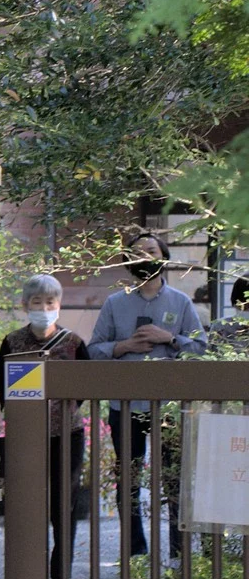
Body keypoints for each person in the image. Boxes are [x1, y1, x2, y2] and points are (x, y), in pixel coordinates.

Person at [88, 230, 207, 554]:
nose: (146, 256)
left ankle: (178, 551)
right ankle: (135, 550)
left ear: (163, 257)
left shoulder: (180, 302)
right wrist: (124, 346)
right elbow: (93, 350)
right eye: (138, 252)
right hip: (125, 404)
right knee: (128, 478)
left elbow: (200, 349)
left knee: (175, 478)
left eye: (152, 250)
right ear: (129, 261)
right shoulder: (115, 303)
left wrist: (168, 338)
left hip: (170, 406)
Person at [0, 275, 86, 579]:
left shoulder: (73, 342)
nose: (44, 308)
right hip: (26, 436)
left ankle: (61, 576)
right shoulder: (12, 342)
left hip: (67, 435)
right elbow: (2, 390)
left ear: (58, 306)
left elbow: (84, 387)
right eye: (37, 302)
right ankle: (28, 576)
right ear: (25, 305)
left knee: (65, 506)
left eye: (50, 302)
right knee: (27, 504)